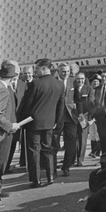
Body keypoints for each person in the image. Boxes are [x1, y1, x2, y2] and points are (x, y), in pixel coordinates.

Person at [17, 58, 65, 188]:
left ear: (43, 68)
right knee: (47, 149)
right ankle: (50, 177)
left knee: (34, 150)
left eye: (37, 68)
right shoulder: (59, 84)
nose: (35, 70)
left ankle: (36, 179)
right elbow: (61, 105)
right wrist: (56, 121)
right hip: (50, 123)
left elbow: (26, 104)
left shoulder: (35, 84)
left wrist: (20, 120)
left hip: (33, 123)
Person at [0, 60, 21, 200]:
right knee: (0, 162)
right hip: (2, 133)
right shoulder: (3, 89)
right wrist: (10, 126)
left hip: (4, 132)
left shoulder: (2, 86)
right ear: (14, 76)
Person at [54, 61, 79, 177]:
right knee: (54, 143)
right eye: (63, 71)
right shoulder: (53, 82)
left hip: (70, 116)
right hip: (56, 117)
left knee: (71, 143)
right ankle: (52, 167)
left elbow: (78, 99)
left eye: (68, 71)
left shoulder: (73, 81)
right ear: (58, 71)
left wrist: (80, 113)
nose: (66, 74)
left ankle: (66, 166)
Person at [4, 66, 28, 174]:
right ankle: (4, 166)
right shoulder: (5, 85)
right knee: (6, 145)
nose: (16, 75)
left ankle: (7, 165)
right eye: (15, 73)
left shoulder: (23, 85)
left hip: (19, 120)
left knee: (14, 144)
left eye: (18, 73)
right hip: (7, 120)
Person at [89, 69, 106, 154]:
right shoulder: (96, 89)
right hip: (99, 116)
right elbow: (94, 102)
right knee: (102, 137)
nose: (104, 79)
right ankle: (104, 156)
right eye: (103, 77)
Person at [73, 70, 92, 165]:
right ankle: (72, 159)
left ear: (85, 79)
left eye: (82, 79)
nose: (80, 81)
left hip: (84, 116)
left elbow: (91, 103)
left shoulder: (88, 89)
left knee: (82, 139)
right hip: (72, 116)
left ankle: (80, 159)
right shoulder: (72, 88)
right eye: (78, 79)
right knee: (73, 138)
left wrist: (87, 117)